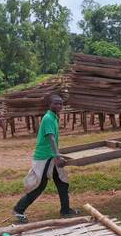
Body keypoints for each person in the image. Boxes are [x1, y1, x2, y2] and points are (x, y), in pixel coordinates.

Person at [12, 95, 79, 223]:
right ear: (50, 104)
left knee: (62, 182)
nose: (59, 106)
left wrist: (56, 155)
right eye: (56, 104)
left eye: (61, 104)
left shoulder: (54, 117)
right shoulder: (48, 118)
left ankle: (65, 210)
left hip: (51, 156)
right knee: (39, 186)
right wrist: (57, 156)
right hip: (45, 157)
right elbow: (51, 138)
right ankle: (18, 210)